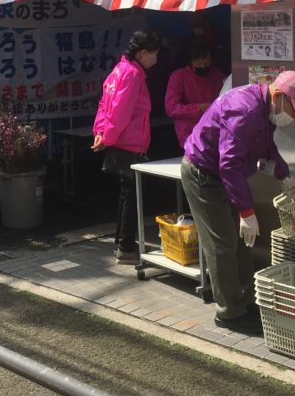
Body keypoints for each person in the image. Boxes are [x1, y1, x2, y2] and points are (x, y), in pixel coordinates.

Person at [181, 70, 295, 334]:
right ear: (279, 96)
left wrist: (284, 175)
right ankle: (229, 312)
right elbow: (229, 164)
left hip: (225, 176)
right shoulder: (245, 110)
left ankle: (245, 301)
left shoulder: (264, 108)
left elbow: (266, 147)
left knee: (241, 242)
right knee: (222, 244)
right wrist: (246, 211)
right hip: (203, 176)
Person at [91, 29, 161, 264]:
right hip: (130, 142)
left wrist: (101, 132)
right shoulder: (132, 74)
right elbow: (121, 113)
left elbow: (104, 104)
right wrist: (106, 137)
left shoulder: (119, 70)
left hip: (120, 140)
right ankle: (126, 246)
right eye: (154, 54)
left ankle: (121, 243)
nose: (156, 59)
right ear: (142, 53)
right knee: (131, 196)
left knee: (125, 194)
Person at [164, 40, 224, 149]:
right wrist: (199, 108)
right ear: (190, 61)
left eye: (206, 61)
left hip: (216, 134)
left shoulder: (218, 74)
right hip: (189, 136)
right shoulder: (178, 77)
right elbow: (171, 108)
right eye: (198, 63)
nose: (203, 65)